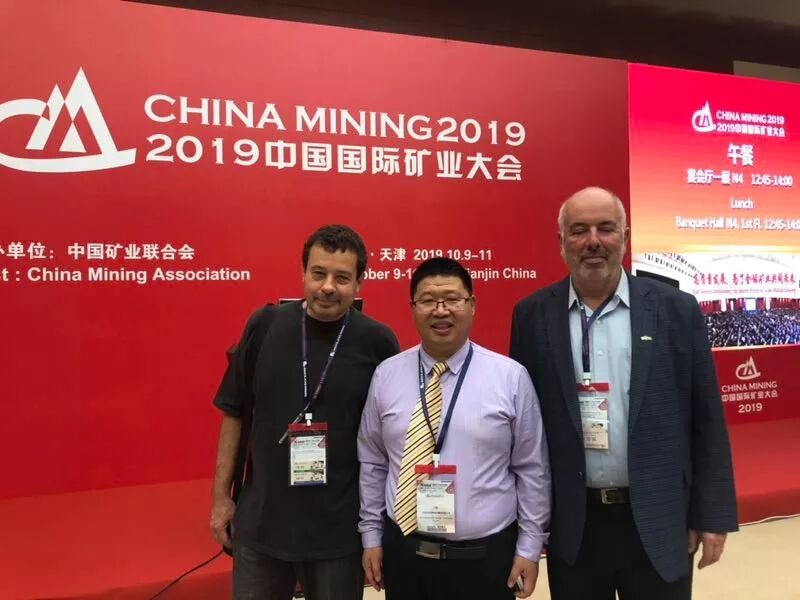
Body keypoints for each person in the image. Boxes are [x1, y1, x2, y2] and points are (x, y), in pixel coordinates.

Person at [509, 187, 737, 599]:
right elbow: (525, 431)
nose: (593, 241)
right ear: (561, 241)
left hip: (660, 517)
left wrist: (712, 514)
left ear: (626, 237)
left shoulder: (676, 310)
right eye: (579, 230)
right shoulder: (532, 315)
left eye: (606, 228)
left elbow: (706, 419)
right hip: (575, 526)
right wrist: (528, 530)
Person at [210, 224, 399, 600]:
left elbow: (388, 441)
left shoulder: (377, 343)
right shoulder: (264, 326)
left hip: (337, 534)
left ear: (359, 283)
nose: (328, 286)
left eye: (341, 277)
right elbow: (234, 412)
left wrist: (376, 529)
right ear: (303, 274)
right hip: (262, 526)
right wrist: (220, 498)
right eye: (318, 273)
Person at [358, 257, 551, 600]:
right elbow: (373, 462)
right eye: (428, 300)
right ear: (412, 308)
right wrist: (371, 536)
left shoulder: (510, 377)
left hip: (486, 562)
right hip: (406, 558)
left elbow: (532, 468)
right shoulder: (386, 375)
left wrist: (530, 547)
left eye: (452, 299)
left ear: (472, 305)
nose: (440, 310)